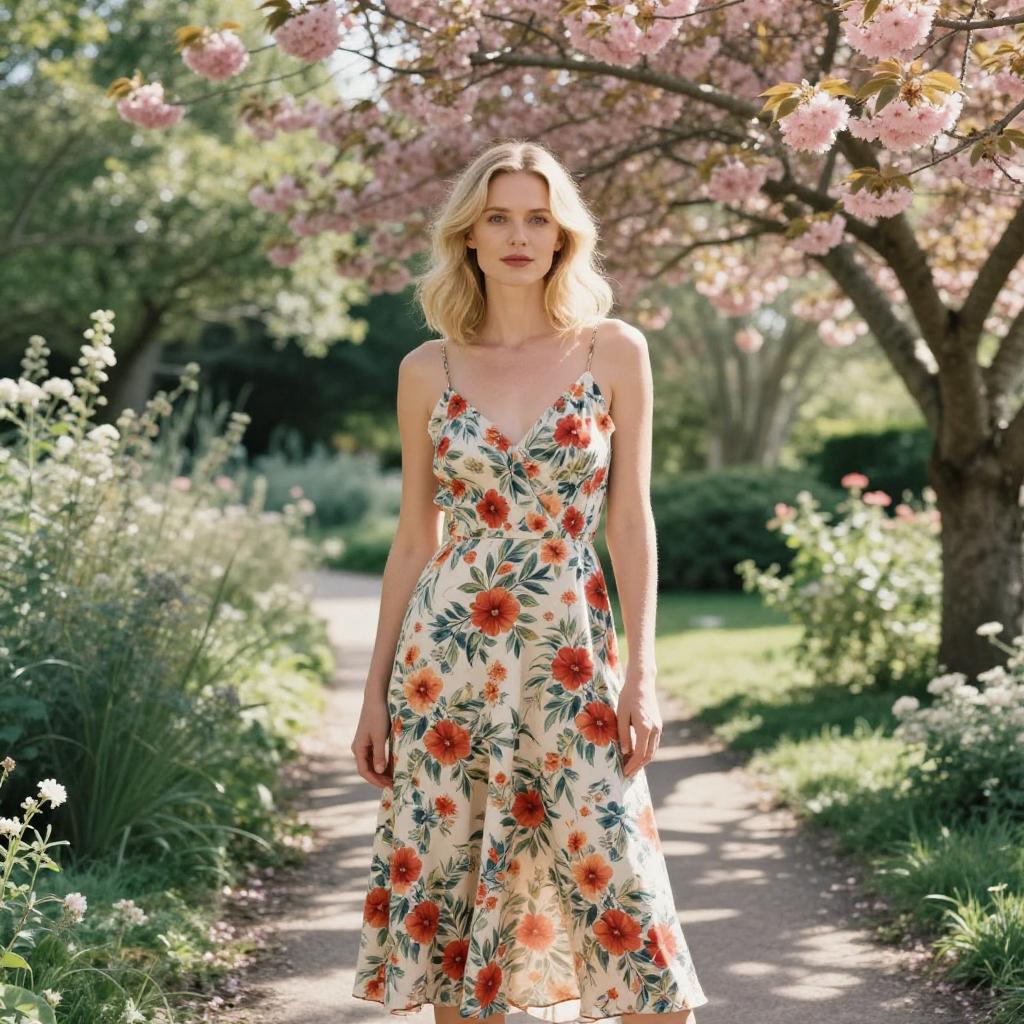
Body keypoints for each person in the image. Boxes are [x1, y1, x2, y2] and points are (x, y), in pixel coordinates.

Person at [351, 139, 708, 1023]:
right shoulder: (425, 369)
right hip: (446, 666)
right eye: (499, 217)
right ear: (469, 236)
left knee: (621, 890)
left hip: (574, 657)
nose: (519, 235)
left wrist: (643, 675)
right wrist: (373, 698)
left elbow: (631, 519)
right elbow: (411, 538)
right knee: (461, 904)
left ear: (563, 236)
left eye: (538, 218)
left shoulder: (612, 351)